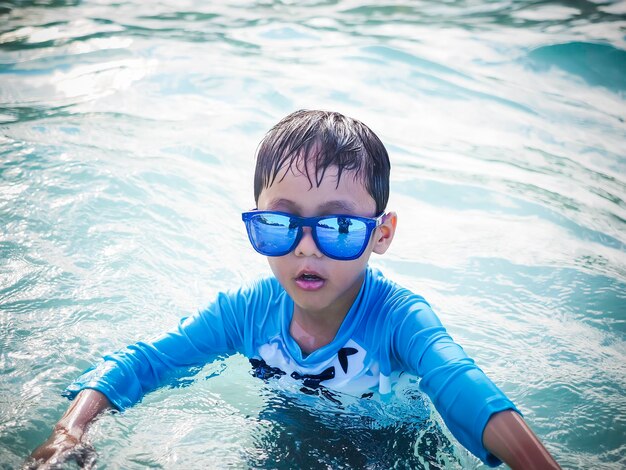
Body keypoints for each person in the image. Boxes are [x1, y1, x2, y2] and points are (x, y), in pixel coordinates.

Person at [29, 110, 559, 469]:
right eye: (281, 225)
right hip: (283, 440)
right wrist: (69, 433)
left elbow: (467, 391)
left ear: (382, 235)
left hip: (391, 451)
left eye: (339, 229)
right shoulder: (245, 311)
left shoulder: (400, 321)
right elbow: (142, 363)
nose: (307, 248)